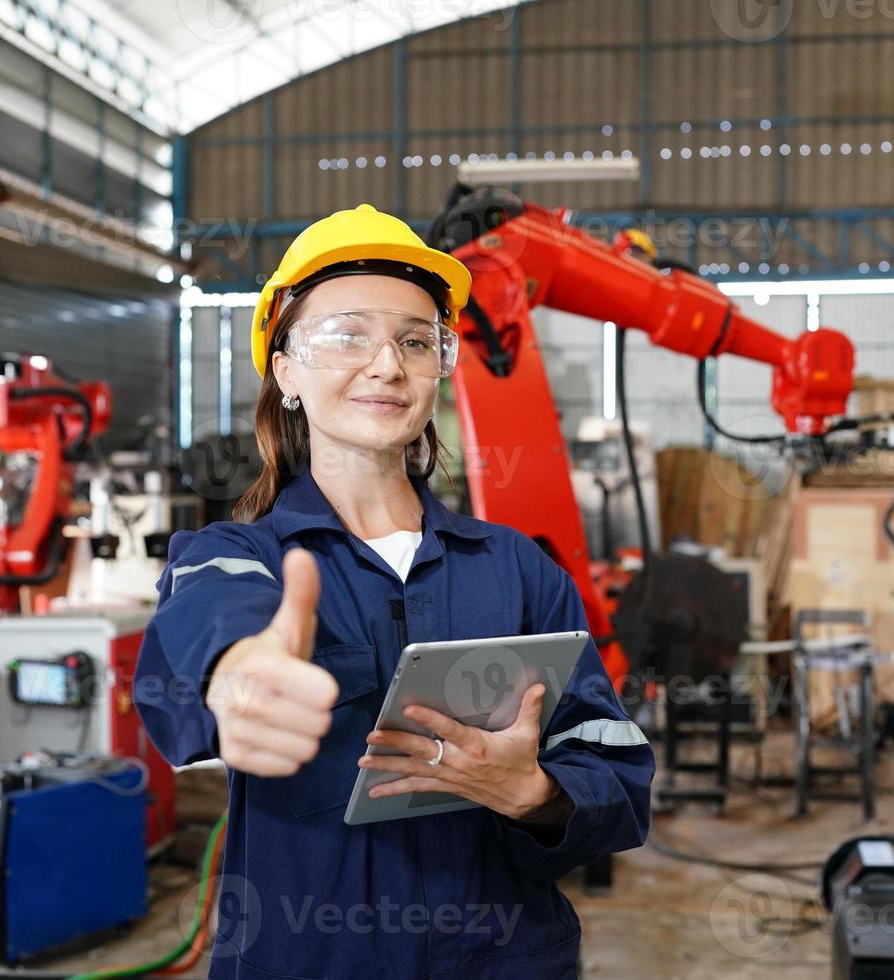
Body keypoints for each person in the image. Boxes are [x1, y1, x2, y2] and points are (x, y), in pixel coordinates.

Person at [134, 203, 654, 980]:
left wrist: (535, 791)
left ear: (442, 365)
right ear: (286, 369)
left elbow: (616, 773)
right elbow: (204, 633)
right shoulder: (236, 558)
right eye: (347, 335)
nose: (387, 365)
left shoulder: (518, 569)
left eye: (416, 341)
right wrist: (237, 675)